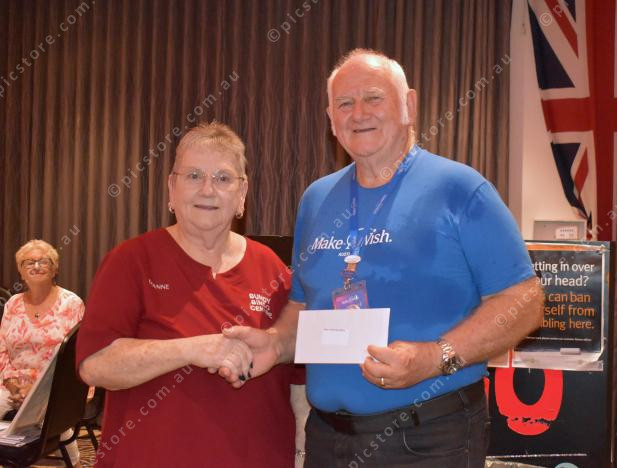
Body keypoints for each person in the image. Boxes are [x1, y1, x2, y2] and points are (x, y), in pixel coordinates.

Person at [221, 49, 544, 467]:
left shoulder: (461, 189)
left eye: (373, 98)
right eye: (344, 103)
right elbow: (305, 306)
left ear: (409, 105)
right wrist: (276, 343)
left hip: (429, 440)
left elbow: (525, 302)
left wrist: (434, 358)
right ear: (331, 119)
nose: (359, 113)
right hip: (327, 438)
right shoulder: (316, 199)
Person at [76, 122, 303, 467]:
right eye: (194, 176)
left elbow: (297, 379)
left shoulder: (271, 267)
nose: (208, 190)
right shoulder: (132, 261)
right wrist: (193, 349)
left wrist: (301, 453)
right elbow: (95, 365)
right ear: (172, 187)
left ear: (242, 194)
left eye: (223, 178)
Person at [1, 239, 84, 466]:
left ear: (54, 269)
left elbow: (75, 356)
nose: (36, 266)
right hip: (12, 385)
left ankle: (70, 460)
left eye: (43, 261)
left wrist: (35, 391)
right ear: (20, 271)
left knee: (49, 417)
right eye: (29, 262)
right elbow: (2, 350)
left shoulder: (71, 304)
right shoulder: (12, 304)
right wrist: (13, 385)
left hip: (54, 388)